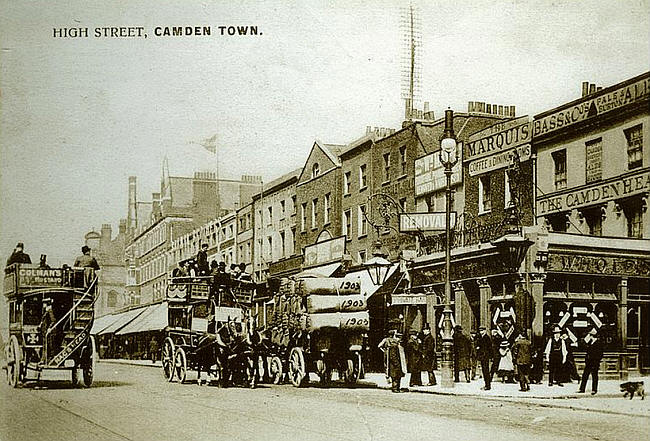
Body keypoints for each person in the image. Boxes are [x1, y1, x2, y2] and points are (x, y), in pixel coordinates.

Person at [578, 328, 604, 395]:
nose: (589, 336)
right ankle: (582, 389)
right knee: (585, 375)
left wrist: (597, 361)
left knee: (594, 376)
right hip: (589, 362)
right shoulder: (590, 342)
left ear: (593, 336)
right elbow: (586, 348)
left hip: (595, 362)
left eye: (590, 335)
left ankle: (594, 390)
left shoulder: (598, 343)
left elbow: (601, 354)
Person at [475, 326, 493, 390]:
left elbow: (490, 348)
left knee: (486, 371)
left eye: (482, 331)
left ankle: (488, 386)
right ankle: (486, 384)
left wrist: (490, 356)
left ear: (485, 331)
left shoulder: (486, 338)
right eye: (480, 331)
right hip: (483, 356)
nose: (481, 332)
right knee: (484, 371)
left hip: (485, 356)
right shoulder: (481, 338)